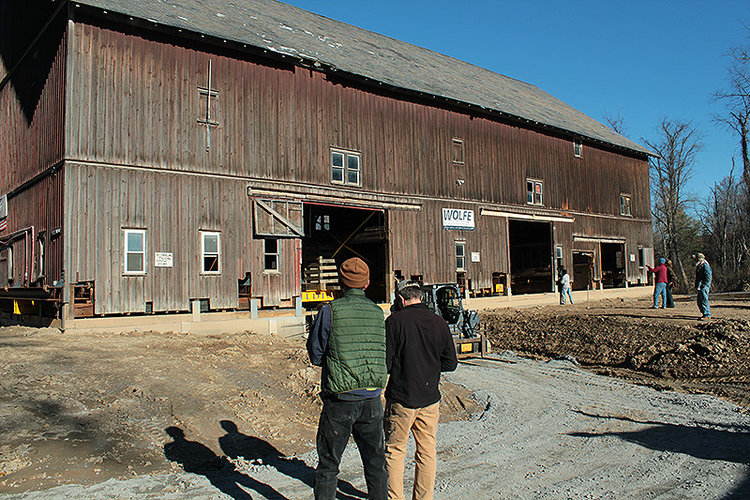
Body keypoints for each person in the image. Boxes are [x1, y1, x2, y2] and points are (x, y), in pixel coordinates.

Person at [306, 257, 388, 500]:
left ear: (341, 283)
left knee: (329, 464)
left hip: (340, 400)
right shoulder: (376, 312)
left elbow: (315, 352)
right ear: (367, 283)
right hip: (372, 398)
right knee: (376, 464)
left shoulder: (330, 311)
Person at [384, 280, 458, 500]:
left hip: (401, 397)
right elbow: (451, 364)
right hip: (429, 399)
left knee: (395, 451)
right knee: (426, 452)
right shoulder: (439, 322)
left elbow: (386, 364)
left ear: (401, 299)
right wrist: (431, 367)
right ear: (422, 298)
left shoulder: (394, 322)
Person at [695, 252, 712, 320]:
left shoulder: (705, 266)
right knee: (699, 300)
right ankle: (704, 313)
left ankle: (707, 314)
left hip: (704, 286)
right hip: (700, 286)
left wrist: (704, 285)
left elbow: (708, 277)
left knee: (704, 299)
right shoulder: (701, 265)